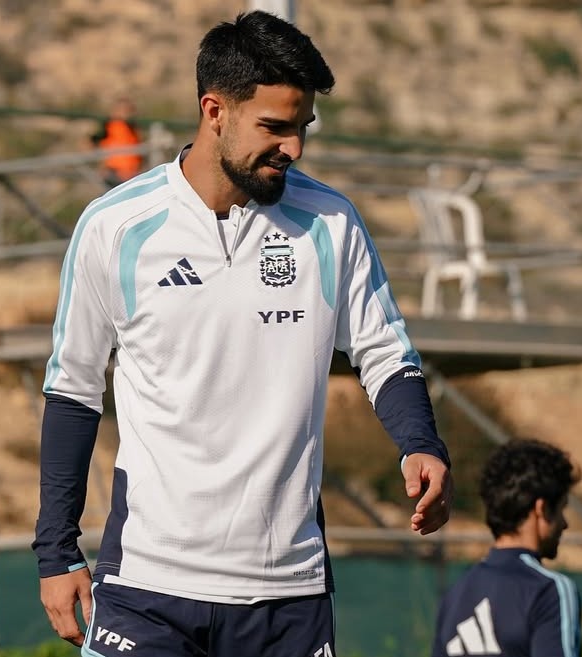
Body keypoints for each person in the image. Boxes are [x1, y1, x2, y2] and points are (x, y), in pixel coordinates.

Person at [34, 10, 452, 656]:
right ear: (214, 111)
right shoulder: (115, 227)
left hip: (287, 596)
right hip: (148, 588)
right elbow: (73, 390)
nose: (295, 148)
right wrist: (56, 549)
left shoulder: (331, 224)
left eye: (302, 128)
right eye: (276, 127)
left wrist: (419, 442)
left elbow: (386, 353)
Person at [432, 439, 582, 657]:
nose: (564, 523)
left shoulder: (454, 596)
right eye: (561, 509)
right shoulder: (549, 591)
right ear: (541, 509)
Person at [90, 96, 144, 187]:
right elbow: (94, 142)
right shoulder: (110, 126)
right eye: (122, 110)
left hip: (131, 173)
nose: (126, 114)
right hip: (114, 171)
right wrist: (103, 165)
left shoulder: (132, 128)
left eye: (129, 110)